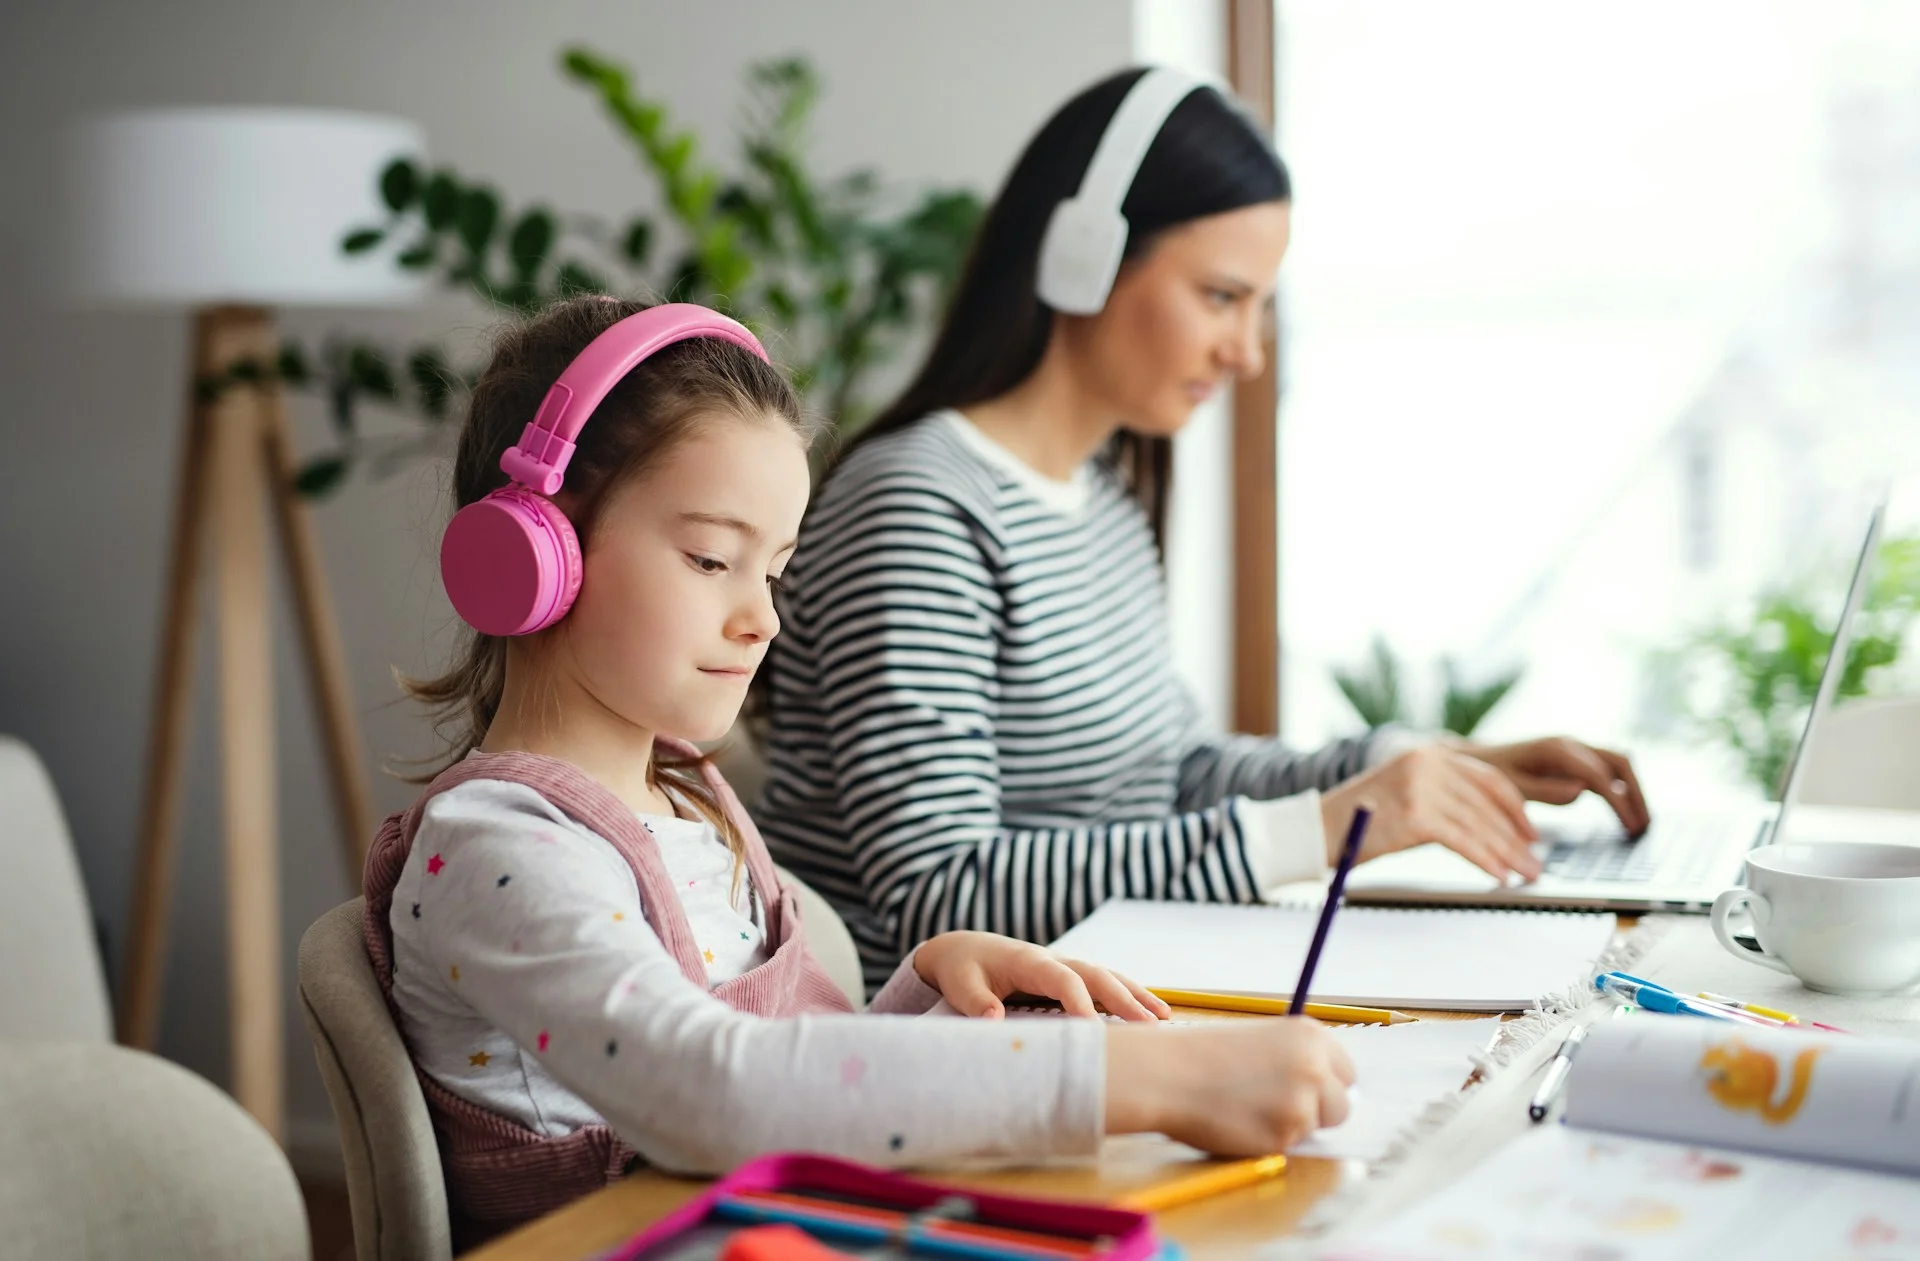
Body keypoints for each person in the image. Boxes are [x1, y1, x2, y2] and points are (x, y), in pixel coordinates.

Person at [370, 295, 1356, 1240]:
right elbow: (716, 1091)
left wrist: (922, 988)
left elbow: (784, 1073)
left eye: (775, 570)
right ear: (536, 550)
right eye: (713, 558)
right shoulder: (502, 850)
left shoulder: (685, 800)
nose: (765, 616)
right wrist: (1155, 1083)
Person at [756, 67, 1651, 992]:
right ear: (1084, 256)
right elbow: (937, 892)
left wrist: (1413, 768)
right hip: (927, 1047)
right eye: (1223, 296)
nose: (1247, 350)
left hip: (1093, 998)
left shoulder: (1100, 496)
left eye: (1259, 306)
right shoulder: (918, 504)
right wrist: (1331, 827)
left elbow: (1169, 775)